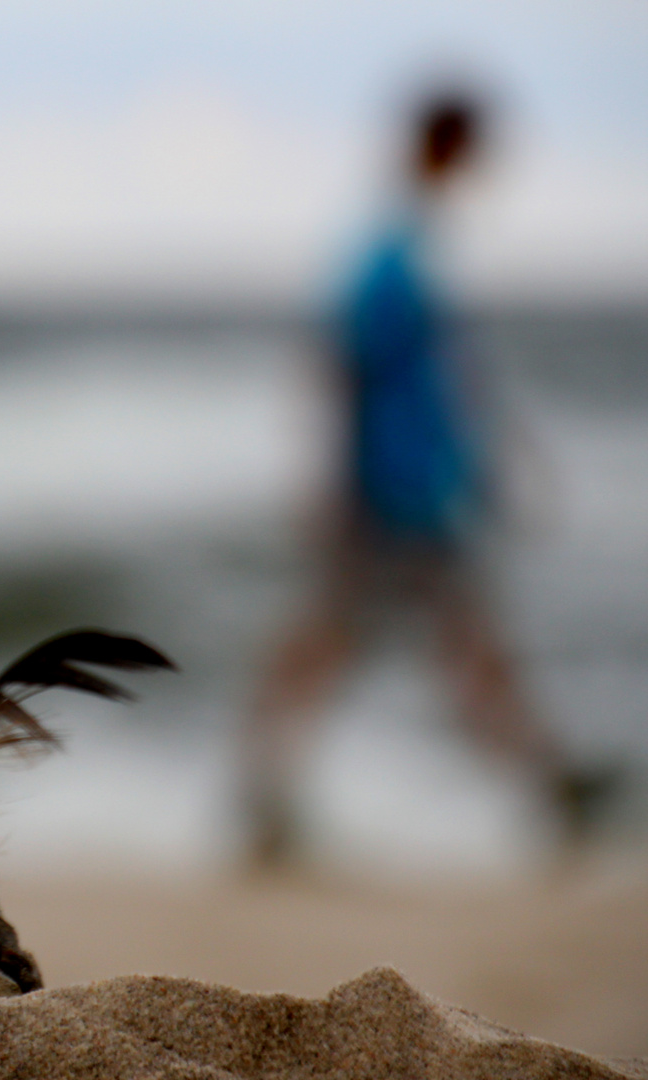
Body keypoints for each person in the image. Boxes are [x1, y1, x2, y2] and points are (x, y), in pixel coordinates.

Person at [240, 91, 610, 867]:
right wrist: (338, 486)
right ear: (452, 146)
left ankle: (552, 787)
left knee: (439, 645)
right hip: (391, 496)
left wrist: (486, 464)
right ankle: (266, 798)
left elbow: (442, 382)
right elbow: (345, 368)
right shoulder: (392, 256)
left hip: (420, 491)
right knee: (372, 643)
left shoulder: (411, 247)